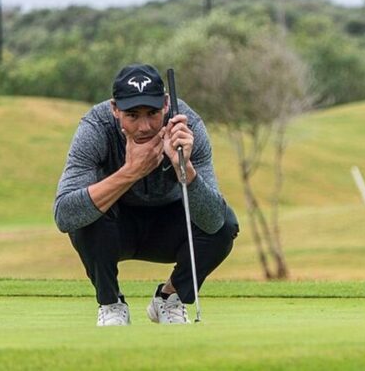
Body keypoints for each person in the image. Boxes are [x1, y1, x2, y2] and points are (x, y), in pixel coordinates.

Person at [54, 63, 238, 326]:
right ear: (115, 109)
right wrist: (130, 172)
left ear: (165, 104)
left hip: (170, 226)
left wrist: (184, 168)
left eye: (152, 113)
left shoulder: (187, 127)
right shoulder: (96, 127)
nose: (144, 127)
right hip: (115, 226)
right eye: (132, 115)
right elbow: (65, 216)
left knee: (226, 223)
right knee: (85, 214)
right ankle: (111, 304)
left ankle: (169, 297)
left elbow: (213, 222)